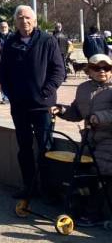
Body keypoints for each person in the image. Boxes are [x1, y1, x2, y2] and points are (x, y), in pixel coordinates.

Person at [0, 5, 65, 199]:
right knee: (24, 148)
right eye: (20, 17)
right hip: (19, 107)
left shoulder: (47, 40)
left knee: (45, 148)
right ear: (15, 21)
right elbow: (3, 72)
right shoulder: (11, 42)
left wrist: (45, 92)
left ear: (34, 21)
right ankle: (29, 187)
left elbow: (58, 71)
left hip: (43, 106)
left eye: (27, 17)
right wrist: (11, 93)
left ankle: (49, 190)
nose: (24, 21)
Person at [52, 53, 112, 224]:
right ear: (89, 71)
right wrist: (62, 111)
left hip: (109, 139)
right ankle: (77, 206)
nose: (102, 71)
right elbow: (77, 112)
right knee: (77, 171)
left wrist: (99, 117)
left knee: (101, 172)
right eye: (97, 68)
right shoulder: (83, 88)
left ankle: (94, 213)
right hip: (89, 138)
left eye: (106, 68)